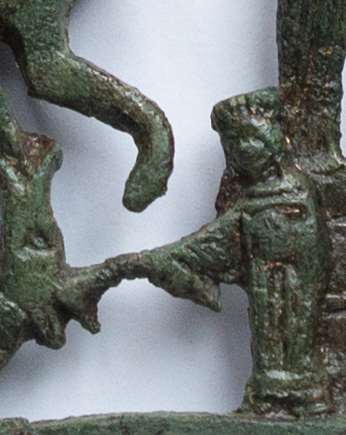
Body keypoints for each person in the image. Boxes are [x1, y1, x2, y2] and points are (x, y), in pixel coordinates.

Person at [130, 89, 334, 416]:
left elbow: (313, 250)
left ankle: (305, 395)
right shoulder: (250, 201)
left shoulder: (299, 194)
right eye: (235, 145)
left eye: (253, 140)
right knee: (269, 339)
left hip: (296, 289)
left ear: (275, 142)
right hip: (266, 285)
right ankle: (271, 395)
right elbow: (220, 237)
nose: (245, 150)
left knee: (294, 337)